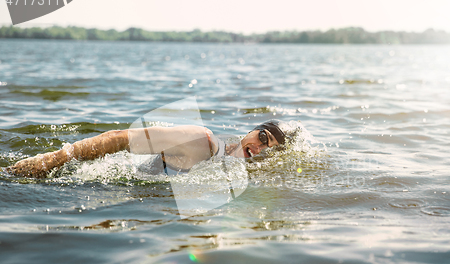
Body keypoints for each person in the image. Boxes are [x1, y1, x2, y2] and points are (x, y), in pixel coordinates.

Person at [7, 120, 286, 178]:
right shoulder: (204, 142)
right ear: (250, 130)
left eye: (268, 148)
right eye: (262, 136)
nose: (260, 147)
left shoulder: (236, 169)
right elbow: (120, 137)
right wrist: (48, 162)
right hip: (100, 191)